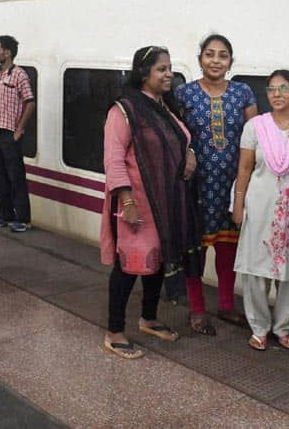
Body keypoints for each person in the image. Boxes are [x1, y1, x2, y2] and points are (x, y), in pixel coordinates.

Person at [100, 45, 200, 359]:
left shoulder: (164, 106)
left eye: (169, 68)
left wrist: (190, 154)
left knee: (157, 261)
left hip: (166, 201)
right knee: (128, 266)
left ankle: (149, 318)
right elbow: (114, 159)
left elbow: (182, 138)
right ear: (144, 73)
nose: (168, 74)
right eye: (161, 69)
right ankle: (114, 331)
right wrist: (127, 202)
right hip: (138, 203)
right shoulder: (124, 110)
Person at [232, 70, 289, 351]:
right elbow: (245, 168)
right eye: (271, 89)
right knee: (256, 270)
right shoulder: (255, 126)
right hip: (260, 207)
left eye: (284, 88)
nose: (277, 94)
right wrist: (238, 204)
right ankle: (259, 327)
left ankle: (283, 327)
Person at [174, 34, 257, 335]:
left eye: (223, 55)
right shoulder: (183, 94)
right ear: (200, 59)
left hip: (233, 185)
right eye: (210, 54)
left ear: (231, 62)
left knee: (228, 248)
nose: (216, 61)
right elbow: (176, 136)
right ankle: (197, 309)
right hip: (196, 186)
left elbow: (254, 137)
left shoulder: (243, 93)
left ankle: (225, 305)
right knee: (196, 250)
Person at [0, 34, 35, 232]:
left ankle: (23, 219)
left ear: (7, 53)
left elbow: (29, 102)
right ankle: (5, 214)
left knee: (16, 176)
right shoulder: (0, 74)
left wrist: (20, 129)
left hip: (9, 133)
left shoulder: (19, 74)